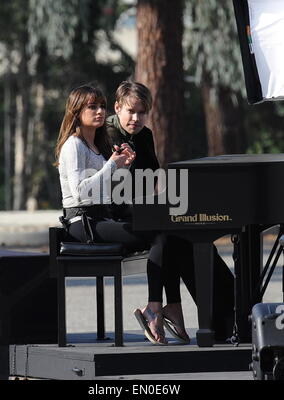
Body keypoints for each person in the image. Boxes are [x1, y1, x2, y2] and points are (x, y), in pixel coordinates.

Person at [55, 83, 189, 346]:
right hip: (82, 223)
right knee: (158, 235)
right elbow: (80, 193)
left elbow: (106, 189)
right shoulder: (74, 146)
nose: (99, 111)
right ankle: (155, 308)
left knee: (167, 235)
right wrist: (110, 166)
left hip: (101, 217)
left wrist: (121, 168)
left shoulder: (96, 144)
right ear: (76, 111)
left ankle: (168, 306)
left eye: (101, 106)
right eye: (92, 107)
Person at [107, 80, 235, 342]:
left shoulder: (145, 135)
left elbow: (151, 175)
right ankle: (157, 307)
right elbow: (110, 182)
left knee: (182, 231)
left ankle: (188, 310)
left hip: (139, 204)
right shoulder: (107, 133)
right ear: (118, 107)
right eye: (131, 111)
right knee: (165, 231)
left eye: (142, 112)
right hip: (111, 209)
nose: (136, 118)